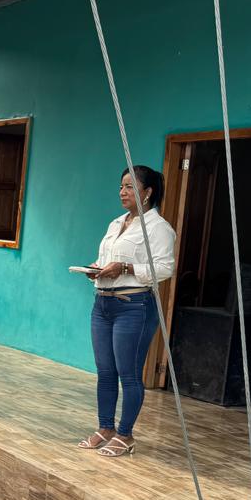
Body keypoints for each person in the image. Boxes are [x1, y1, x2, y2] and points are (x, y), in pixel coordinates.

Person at [77, 165, 177, 458]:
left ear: (147, 192)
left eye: (130, 186)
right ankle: (105, 428)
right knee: (105, 371)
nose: (123, 192)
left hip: (133, 307)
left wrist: (126, 268)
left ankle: (125, 434)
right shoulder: (115, 224)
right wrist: (95, 269)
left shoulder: (159, 228)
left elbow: (165, 268)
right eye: (121, 186)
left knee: (129, 373)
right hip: (103, 304)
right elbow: (106, 259)